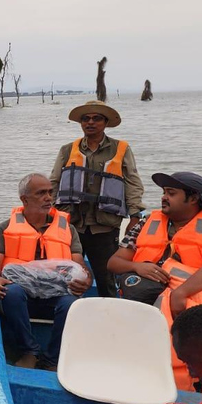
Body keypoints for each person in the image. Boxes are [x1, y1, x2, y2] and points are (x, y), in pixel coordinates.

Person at [108, 171, 202, 390]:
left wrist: (181, 293)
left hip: (191, 296)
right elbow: (114, 262)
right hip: (148, 293)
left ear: (193, 198)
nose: (164, 197)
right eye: (163, 192)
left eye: (171, 193)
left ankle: (187, 379)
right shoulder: (145, 223)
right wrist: (137, 266)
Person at [0, 173, 92, 370]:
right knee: (10, 292)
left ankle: (52, 360)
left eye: (50, 193)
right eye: (41, 193)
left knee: (71, 303)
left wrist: (86, 280)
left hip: (55, 296)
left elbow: (79, 265)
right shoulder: (5, 228)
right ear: (24, 199)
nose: (48, 198)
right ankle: (30, 352)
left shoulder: (68, 229)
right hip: (22, 299)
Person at [50, 100, 145, 297]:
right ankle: (67, 311)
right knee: (65, 277)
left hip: (105, 227)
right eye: (86, 119)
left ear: (105, 122)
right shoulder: (67, 149)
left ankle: (108, 312)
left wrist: (135, 216)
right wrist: (50, 215)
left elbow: (133, 183)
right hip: (71, 225)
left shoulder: (121, 149)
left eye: (96, 118)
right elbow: (54, 183)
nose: (90, 122)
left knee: (106, 279)